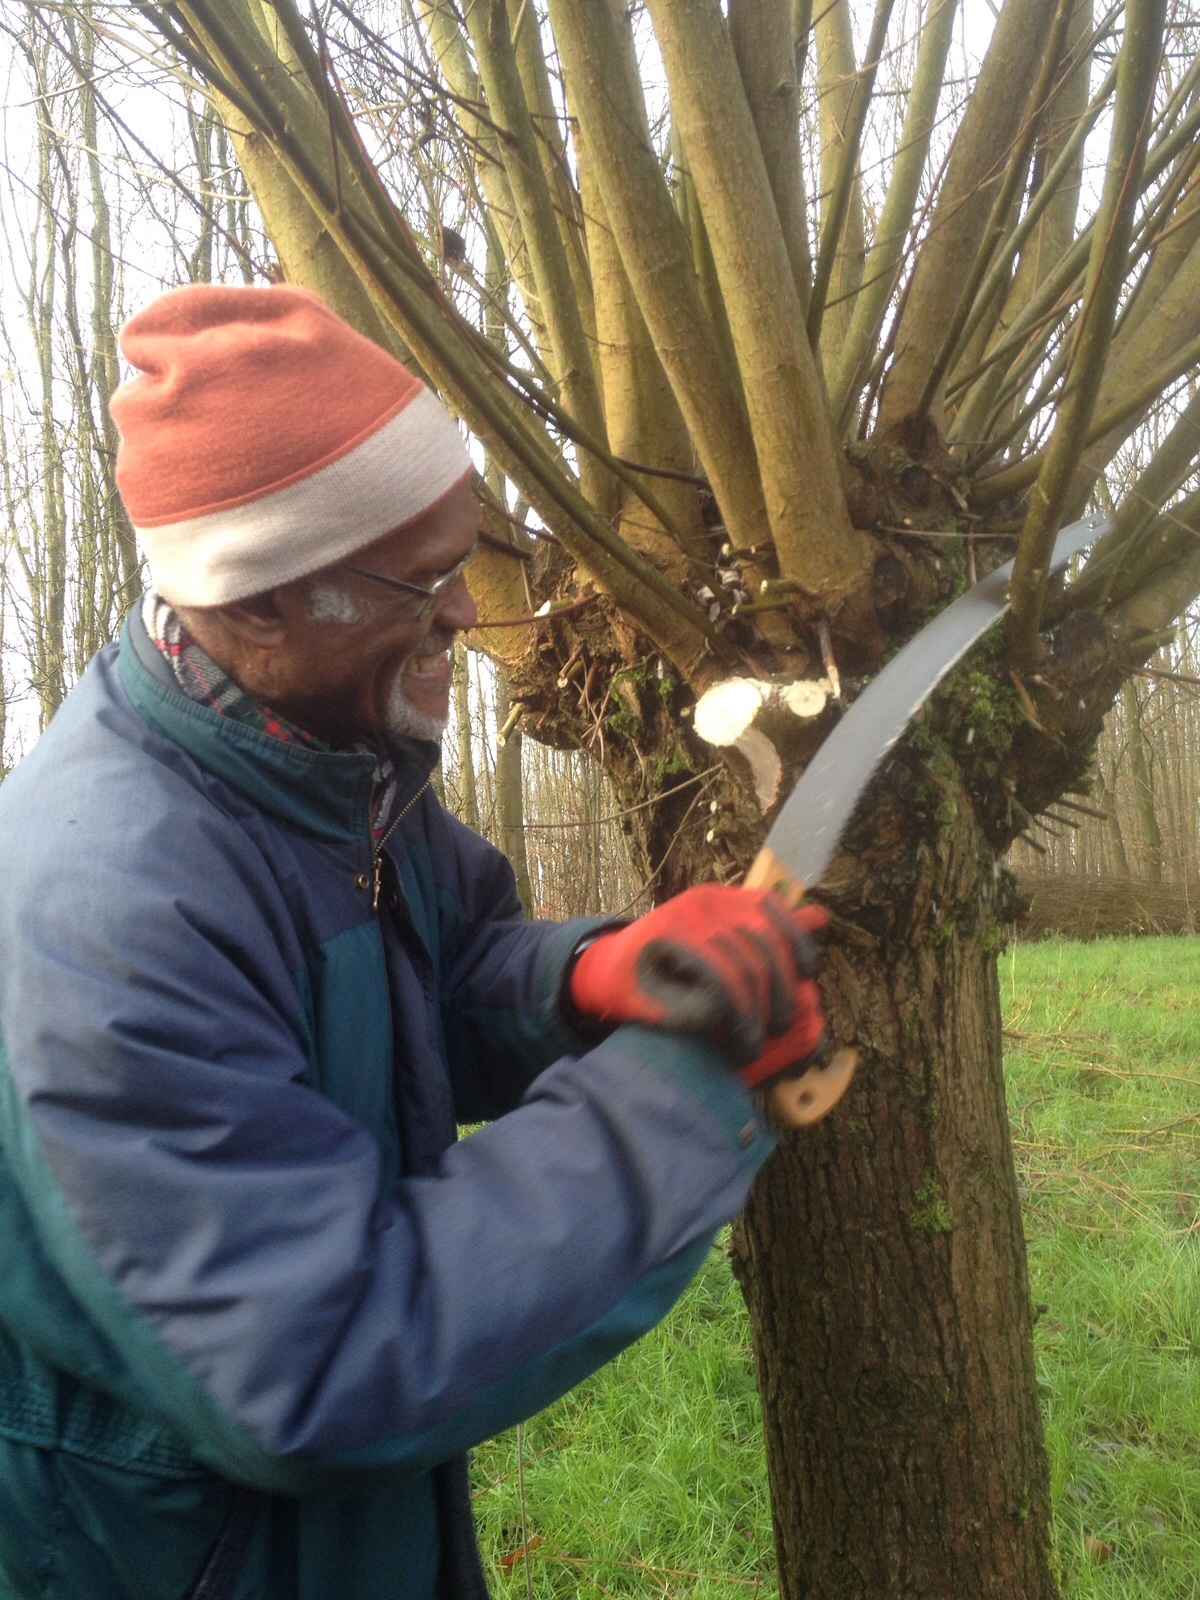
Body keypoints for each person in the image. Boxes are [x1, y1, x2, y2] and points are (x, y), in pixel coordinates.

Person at [0, 285, 825, 1600]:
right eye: (416, 580)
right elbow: (316, 1368)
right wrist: (684, 1096)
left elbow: (422, 990)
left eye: (464, 556)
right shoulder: (113, 910)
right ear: (256, 604)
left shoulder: (325, 759)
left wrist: (587, 984)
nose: (460, 615)